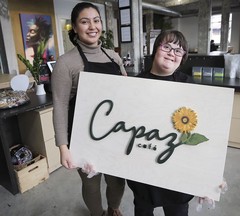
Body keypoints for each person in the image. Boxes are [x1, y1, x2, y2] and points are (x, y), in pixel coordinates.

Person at [51, 2, 126, 216]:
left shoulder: (114, 56)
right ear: (74, 27)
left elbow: (127, 95)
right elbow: (60, 106)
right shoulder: (66, 63)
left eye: (96, 20)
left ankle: (113, 208)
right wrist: (63, 147)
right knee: (92, 185)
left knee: (118, 181)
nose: (92, 26)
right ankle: (97, 213)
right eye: (85, 22)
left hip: (116, 133)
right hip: (83, 136)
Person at [127, 30, 194, 216]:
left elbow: (204, 129)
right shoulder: (135, 85)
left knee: (177, 210)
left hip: (177, 171)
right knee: (143, 208)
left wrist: (210, 174)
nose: (172, 53)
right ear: (155, 49)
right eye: (167, 47)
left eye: (179, 51)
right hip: (143, 167)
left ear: (183, 57)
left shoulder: (190, 85)